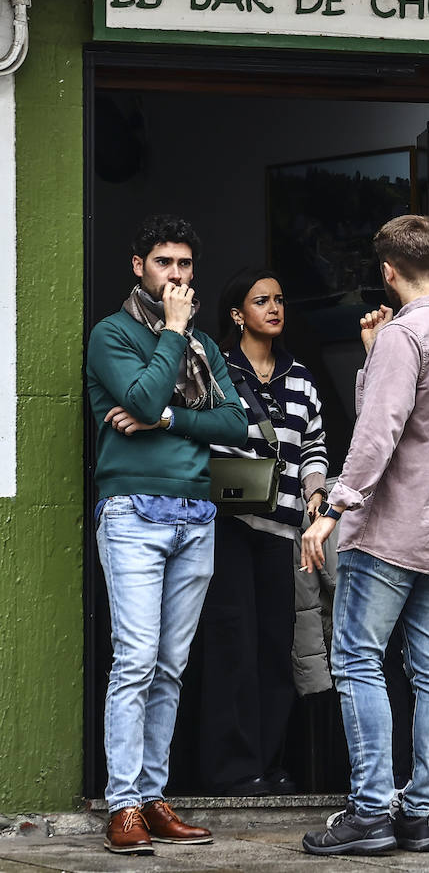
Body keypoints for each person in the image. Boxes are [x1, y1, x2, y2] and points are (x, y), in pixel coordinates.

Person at [299, 215, 429, 856]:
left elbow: (377, 431)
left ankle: (370, 811)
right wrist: (372, 357)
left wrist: (332, 508)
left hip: (388, 530)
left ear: (386, 271)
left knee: (358, 660)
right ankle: (418, 813)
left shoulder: (404, 337)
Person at [85, 215, 248, 855]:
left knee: (172, 667)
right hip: (132, 514)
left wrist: (172, 418)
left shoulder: (205, 345)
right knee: (136, 660)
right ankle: (122, 803)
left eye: (184, 266)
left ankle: (154, 798)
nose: (176, 276)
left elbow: (237, 424)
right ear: (138, 266)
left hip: (196, 515)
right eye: (163, 264)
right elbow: (142, 398)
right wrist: (174, 335)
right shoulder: (111, 334)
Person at [199, 268, 329, 796]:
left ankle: (268, 765)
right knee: (233, 646)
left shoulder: (301, 378)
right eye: (261, 300)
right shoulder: (215, 369)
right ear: (237, 314)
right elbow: (201, 432)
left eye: (279, 299)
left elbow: (315, 444)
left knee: (278, 648)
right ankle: (231, 770)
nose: (274, 308)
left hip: (283, 533)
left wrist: (317, 494)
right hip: (229, 526)